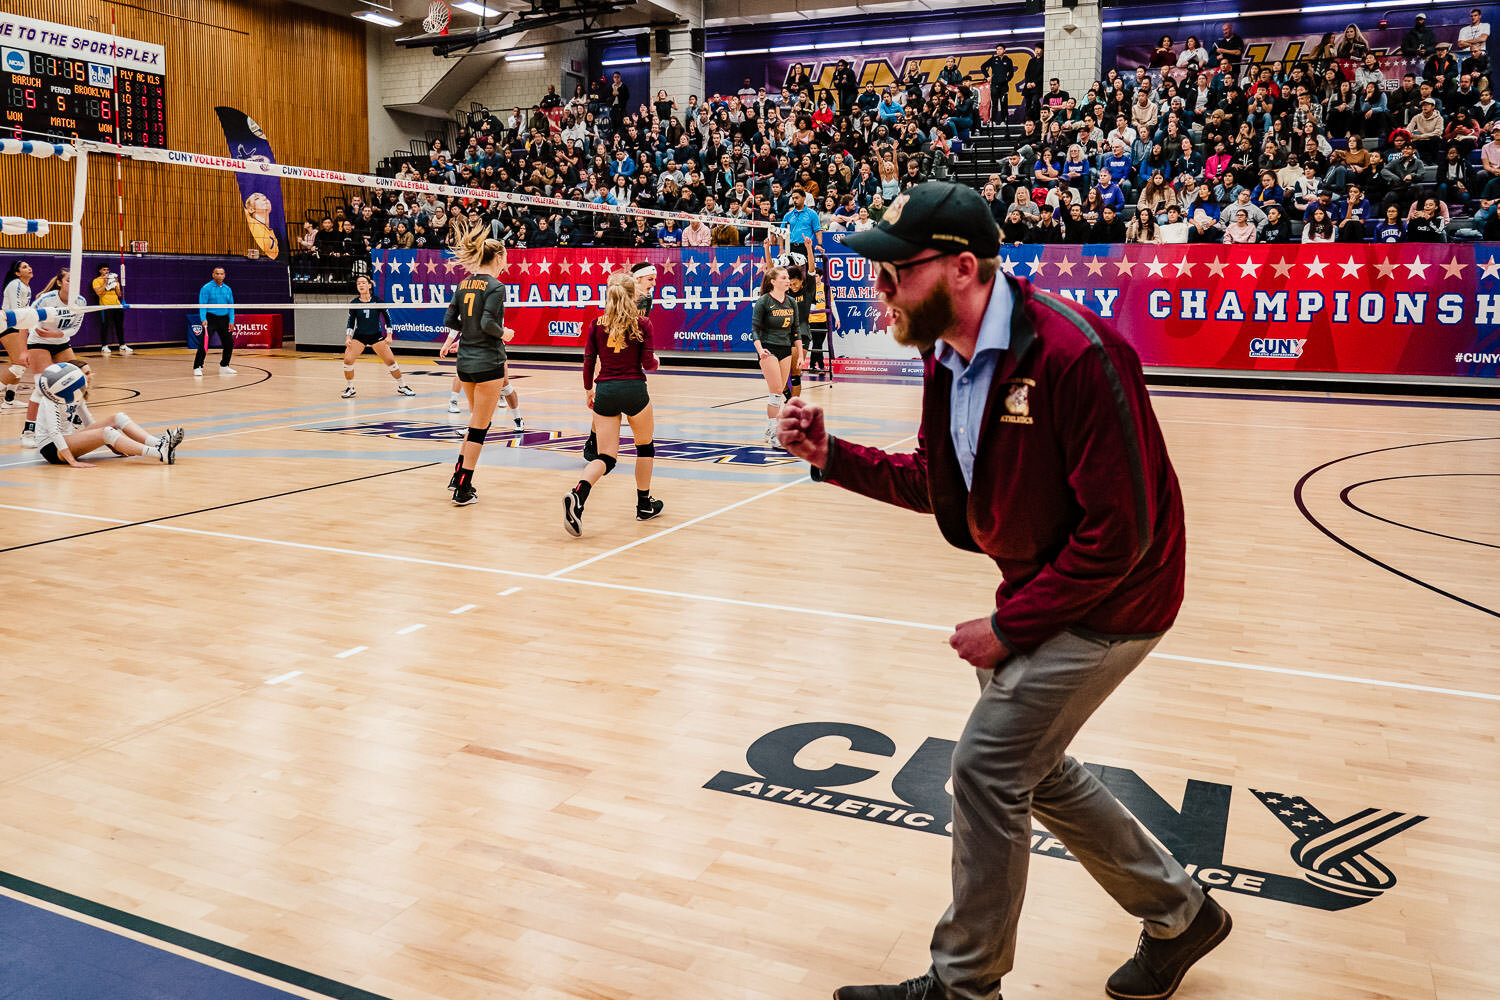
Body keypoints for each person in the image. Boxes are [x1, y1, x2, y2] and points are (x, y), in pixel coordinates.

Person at [777, 181, 1227, 1000]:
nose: (877, 291)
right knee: (1034, 768)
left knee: (985, 767)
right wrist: (830, 454)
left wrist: (1009, 626)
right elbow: (942, 484)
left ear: (960, 268)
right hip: (1054, 586)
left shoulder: (1077, 355)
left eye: (893, 274)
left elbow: (1120, 535)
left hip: (1120, 597)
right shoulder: (945, 358)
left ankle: (963, 985)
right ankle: (1180, 912)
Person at [563, 270, 663, 536]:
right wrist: (658, 362)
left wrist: (588, 391)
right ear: (632, 296)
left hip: (605, 390)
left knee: (606, 456)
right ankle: (644, 505)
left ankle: (579, 494)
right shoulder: (642, 323)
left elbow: (587, 362)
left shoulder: (597, 323)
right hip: (634, 390)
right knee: (645, 447)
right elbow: (648, 364)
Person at [439, 223, 517, 506]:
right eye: (505, 256)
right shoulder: (496, 286)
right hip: (487, 361)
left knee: (475, 423)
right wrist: (504, 333)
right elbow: (488, 323)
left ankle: (457, 474)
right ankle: (463, 487)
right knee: (479, 427)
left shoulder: (463, 284)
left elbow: (449, 321)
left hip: (465, 363)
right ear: (498, 258)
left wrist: (468, 331)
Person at [30, 361, 181, 467]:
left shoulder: (77, 394)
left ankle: (159, 444)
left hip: (67, 439)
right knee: (106, 432)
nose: (90, 376)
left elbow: (90, 425)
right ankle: (159, 453)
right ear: (73, 378)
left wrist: (112, 445)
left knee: (118, 418)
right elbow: (54, 432)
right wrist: (72, 462)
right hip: (52, 448)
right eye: (86, 373)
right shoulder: (52, 397)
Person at [20, 268, 89, 450]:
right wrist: (23, 350)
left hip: (61, 341)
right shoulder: (46, 299)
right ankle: (29, 431)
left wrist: (58, 334)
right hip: (38, 342)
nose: (72, 286)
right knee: (41, 388)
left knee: (78, 381)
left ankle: (74, 420)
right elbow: (25, 320)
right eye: (68, 281)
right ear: (59, 283)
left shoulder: (81, 301)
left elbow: (74, 328)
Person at [341, 275, 416, 399]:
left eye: (363, 283)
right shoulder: (354, 303)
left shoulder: (378, 301)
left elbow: (388, 319)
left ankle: (402, 386)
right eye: (358, 283)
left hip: (375, 335)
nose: (360, 285)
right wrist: (348, 337)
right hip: (360, 335)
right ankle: (350, 387)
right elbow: (351, 321)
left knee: (391, 361)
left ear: (369, 285)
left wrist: (389, 335)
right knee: (348, 361)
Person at [751, 263, 798, 447]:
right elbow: (755, 328)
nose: (788, 281)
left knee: (780, 392)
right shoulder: (764, 301)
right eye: (784, 278)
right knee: (777, 391)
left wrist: (798, 351)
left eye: (788, 278)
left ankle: (770, 428)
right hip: (768, 349)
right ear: (773, 282)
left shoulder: (791, 301)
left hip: (785, 348)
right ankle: (773, 431)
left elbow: (795, 330)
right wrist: (759, 349)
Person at [1, 258, 32, 409]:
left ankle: (9, 400)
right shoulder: (15, 285)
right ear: (17, 273)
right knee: (19, 364)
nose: (29, 268)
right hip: (9, 324)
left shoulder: (26, 286)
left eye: (28, 266)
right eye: (25, 267)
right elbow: (16, 310)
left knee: (20, 364)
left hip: (18, 324)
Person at [195, 266, 236, 376]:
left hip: (224, 319)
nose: (219, 275)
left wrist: (231, 320)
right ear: (213, 275)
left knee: (229, 343)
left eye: (221, 274)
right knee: (204, 343)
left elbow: (231, 306)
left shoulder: (228, 289)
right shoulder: (206, 288)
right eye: (217, 273)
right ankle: (198, 367)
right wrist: (203, 319)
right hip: (210, 318)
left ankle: (224, 366)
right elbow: (202, 305)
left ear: (224, 275)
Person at [92, 265, 129, 356]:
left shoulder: (114, 279)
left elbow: (119, 294)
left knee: (119, 326)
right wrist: (105, 283)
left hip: (117, 306)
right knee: (105, 326)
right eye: (104, 270)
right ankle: (104, 346)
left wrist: (116, 283)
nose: (106, 271)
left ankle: (122, 345)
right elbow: (99, 293)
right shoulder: (96, 281)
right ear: (100, 271)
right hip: (105, 306)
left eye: (108, 269)